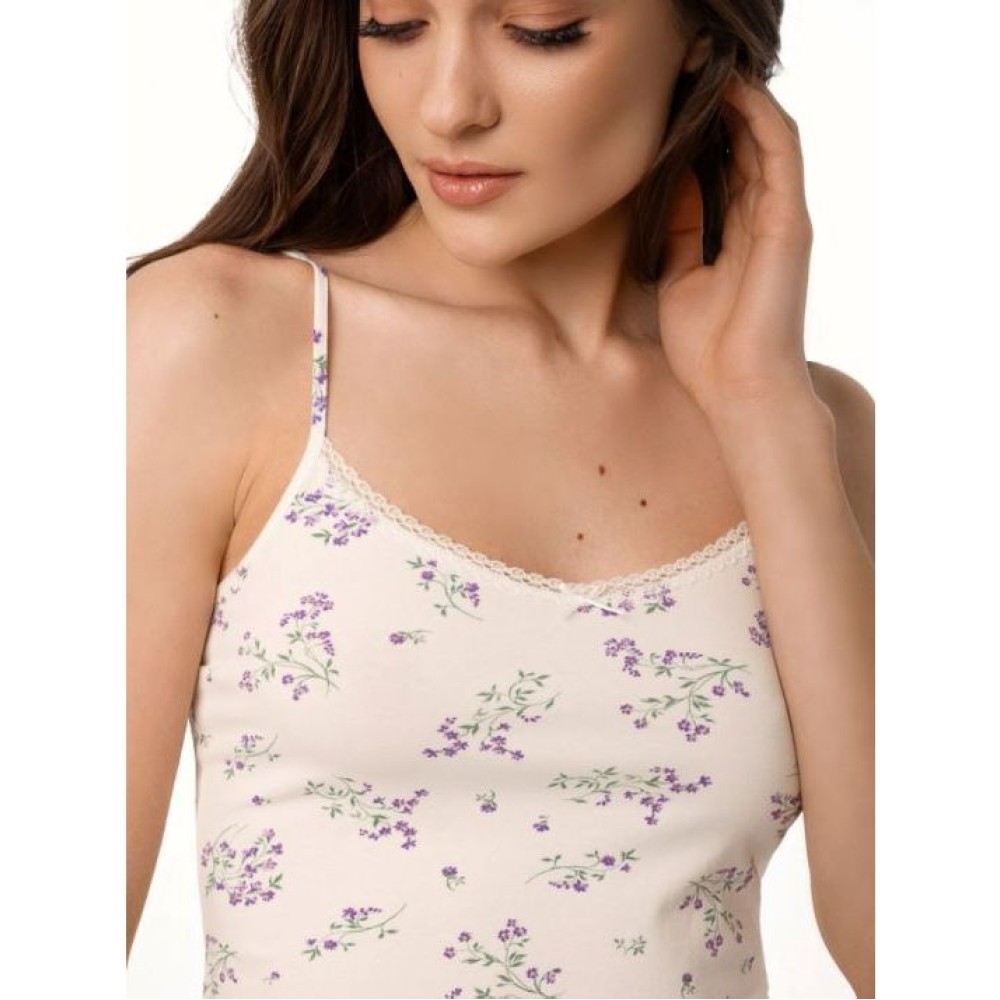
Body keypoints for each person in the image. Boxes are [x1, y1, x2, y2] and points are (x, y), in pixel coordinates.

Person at [127, 1, 874, 997]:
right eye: (395, 25)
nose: (448, 108)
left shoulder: (811, 432)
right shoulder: (216, 340)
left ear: (700, 31)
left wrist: (762, 406)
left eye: (540, 29)